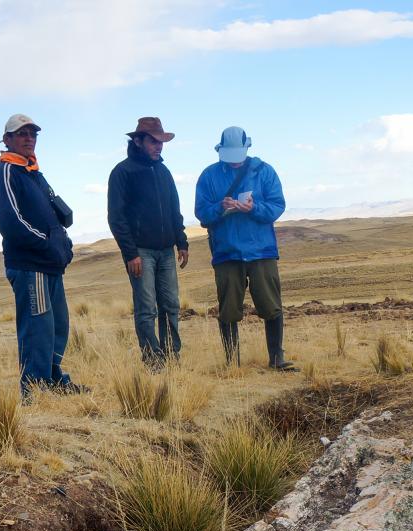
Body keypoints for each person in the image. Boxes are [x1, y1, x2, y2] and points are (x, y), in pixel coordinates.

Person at [0, 112, 86, 399]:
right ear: (7, 140)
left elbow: (56, 217)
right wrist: (47, 244)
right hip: (31, 266)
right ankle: (34, 390)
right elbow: (11, 223)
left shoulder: (33, 173)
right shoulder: (5, 174)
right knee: (37, 328)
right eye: (22, 134)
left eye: (33, 134)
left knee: (58, 326)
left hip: (50, 265)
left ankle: (54, 380)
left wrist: (63, 245)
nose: (29, 138)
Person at [194, 126, 295, 371]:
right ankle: (232, 364)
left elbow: (277, 206)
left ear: (247, 148)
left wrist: (254, 208)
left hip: (262, 251)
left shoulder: (264, 171)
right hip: (227, 253)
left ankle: (276, 358)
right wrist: (220, 207)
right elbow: (201, 213)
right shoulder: (209, 176)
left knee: (271, 305)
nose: (235, 163)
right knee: (228, 310)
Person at [107, 116, 190, 368]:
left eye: (161, 141)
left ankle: (171, 355)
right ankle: (153, 359)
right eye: (153, 141)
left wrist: (182, 242)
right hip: (140, 252)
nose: (159, 146)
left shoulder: (163, 171)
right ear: (139, 141)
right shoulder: (123, 172)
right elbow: (116, 217)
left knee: (171, 305)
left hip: (166, 250)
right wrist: (130, 253)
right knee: (146, 308)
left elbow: (174, 209)